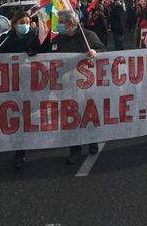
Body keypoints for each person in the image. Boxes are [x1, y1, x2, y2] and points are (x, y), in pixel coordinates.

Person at [44, 10, 106, 163]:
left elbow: (104, 52)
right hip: (67, 85)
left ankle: (92, 141)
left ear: (71, 23)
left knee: (87, 115)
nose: (59, 25)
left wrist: (96, 52)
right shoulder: (57, 40)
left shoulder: (89, 36)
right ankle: (75, 150)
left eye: (61, 22)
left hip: (87, 85)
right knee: (71, 118)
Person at [0, 11, 41, 169]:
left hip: (29, 83)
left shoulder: (34, 39)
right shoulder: (5, 39)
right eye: (22, 22)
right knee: (14, 115)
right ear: (14, 24)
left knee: (26, 114)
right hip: (11, 83)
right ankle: (18, 148)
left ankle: (23, 147)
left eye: (27, 22)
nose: (25, 25)